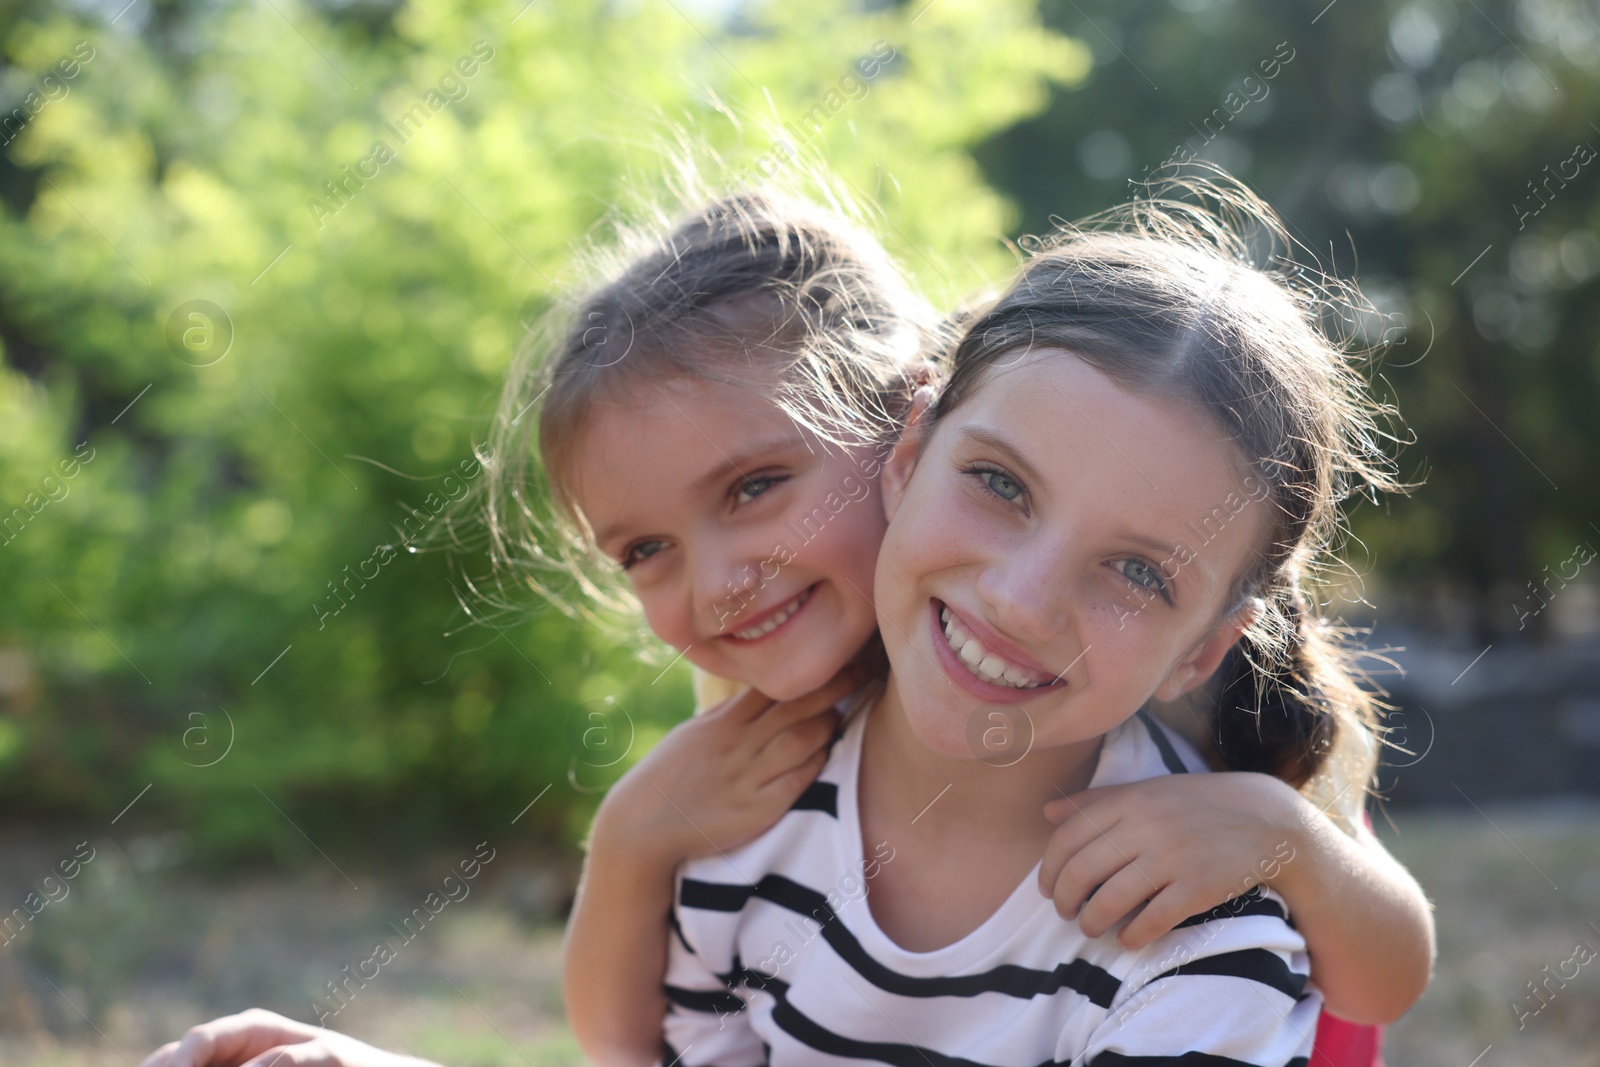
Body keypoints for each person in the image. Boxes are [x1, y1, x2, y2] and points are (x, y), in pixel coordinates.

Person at [138, 176, 1431, 1067]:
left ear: (886, 430)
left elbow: (1383, 972)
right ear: (917, 446)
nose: (724, 581)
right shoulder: (754, 801)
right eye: (998, 487)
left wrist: (1282, 841)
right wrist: (632, 841)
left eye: (757, 490)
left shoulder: (1203, 896)